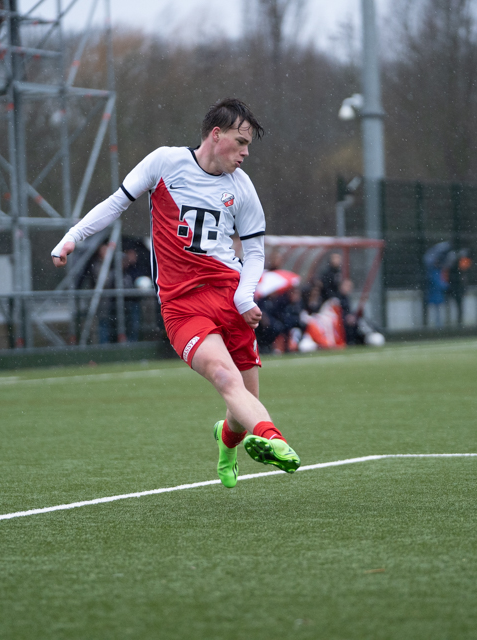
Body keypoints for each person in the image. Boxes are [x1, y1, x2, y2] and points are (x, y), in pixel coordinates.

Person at [51, 98, 300, 488]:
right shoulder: (166, 162)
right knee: (225, 377)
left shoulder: (242, 187)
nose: (246, 153)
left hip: (229, 298)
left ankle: (227, 440)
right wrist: (72, 237)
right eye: (240, 142)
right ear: (215, 135)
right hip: (182, 305)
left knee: (243, 402)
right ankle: (275, 440)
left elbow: (254, 253)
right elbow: (116, 204)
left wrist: (244, 296)